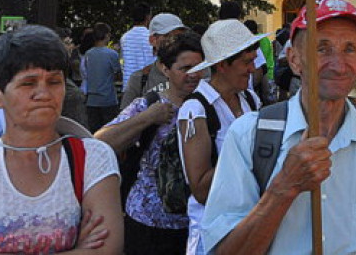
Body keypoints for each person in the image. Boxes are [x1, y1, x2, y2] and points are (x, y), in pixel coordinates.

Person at [201, 0, 356, 255]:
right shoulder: (249, 136)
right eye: (321, 48)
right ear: (293, 59)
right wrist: (283, 187)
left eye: (349, 49)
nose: (338, 65)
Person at [0, 25, 122, 253]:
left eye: (54, 82)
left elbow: (106, 248)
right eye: (28, 83)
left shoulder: (91, 158)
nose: (44, 94)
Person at [96, 32, 203, 255]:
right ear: (165, 69)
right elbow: (99, 142)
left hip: (195, 223)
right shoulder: (149, 105)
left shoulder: (210, 105)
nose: (194, 75)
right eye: (185, 68)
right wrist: (147, 118)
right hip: (148, 222)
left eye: (198, 67)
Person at [178, 19, 263, 255]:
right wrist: (244, 149)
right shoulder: (196, 110)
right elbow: (201, 190)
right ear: (223, 65)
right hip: (213, 234)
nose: (252, 69)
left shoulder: (250, 100)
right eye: (246, 62)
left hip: (249, 226)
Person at [121, 13, 187, 108]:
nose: (175, 41)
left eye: (180, 37)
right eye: (168, 36)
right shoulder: (139, 79)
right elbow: (124, 120)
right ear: (153, 40)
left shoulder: (195, 75)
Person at [83, 23, 121, 132]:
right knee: (110, 132)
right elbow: (118, 74)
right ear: (106, 35)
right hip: (108, 99)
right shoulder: (112, 54)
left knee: (94, 132)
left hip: (91, 100)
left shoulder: (88, 54)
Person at [120, 2, 153, 89]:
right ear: (148, 17)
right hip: (147, 85)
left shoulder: (125, 37)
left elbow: (122, 63)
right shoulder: (151, 37)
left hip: (129, 85)